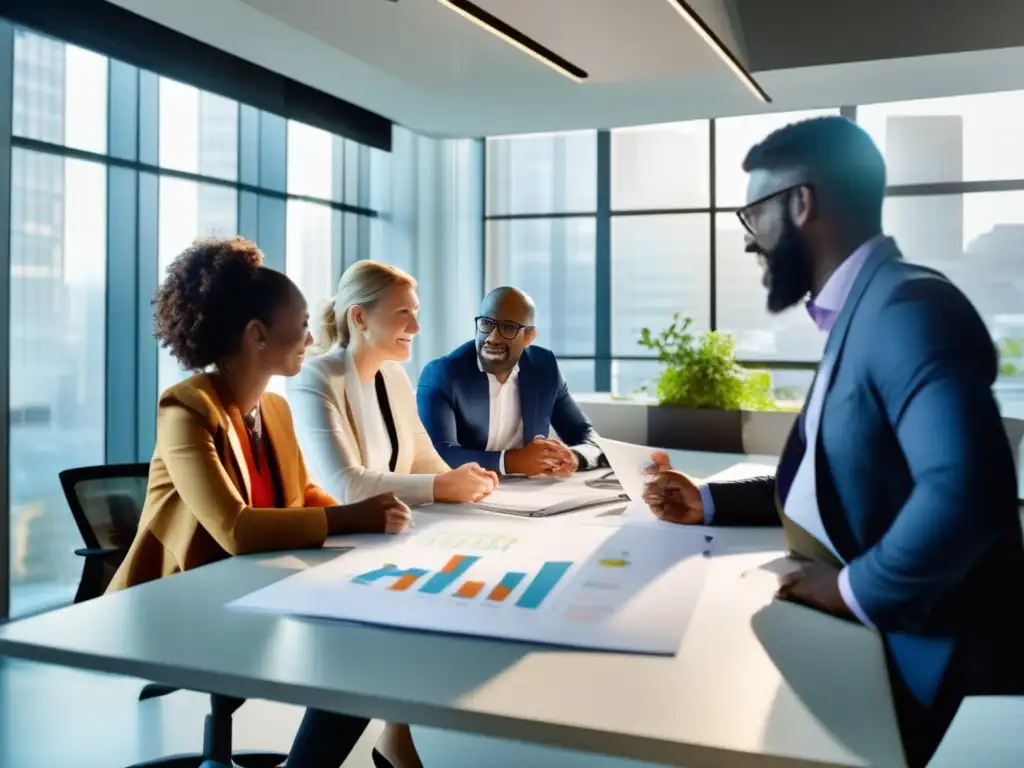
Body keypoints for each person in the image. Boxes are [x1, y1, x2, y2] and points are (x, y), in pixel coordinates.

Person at [643, 116, 1024, 767]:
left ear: (800, 203)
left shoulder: (908, 308)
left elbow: (968, 492)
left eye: (753, 214)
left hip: (917, 666)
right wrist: (708, 503)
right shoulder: (865, 309)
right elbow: (842, 476)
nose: (748, 242)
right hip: (862, 649)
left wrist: (849, 590)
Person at [107, 237, 412, 768]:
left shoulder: (271, 407)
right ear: (258, 335)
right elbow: (236, 529)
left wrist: (376, 521)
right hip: (181, 603)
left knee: (374, 634)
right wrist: (354, 516)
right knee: (360, 651)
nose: (311, 335)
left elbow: (302, 497)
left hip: (254, 583)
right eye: (299, 322)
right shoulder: (186, 409)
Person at [288, 259, 497, 768]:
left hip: (385, 542)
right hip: (325, 549)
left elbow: (424, 462)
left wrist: (463, 478)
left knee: (436, 610)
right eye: (404, 313)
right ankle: (380, 744)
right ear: (359, 318)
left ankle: (395, 736)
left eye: (417, 313)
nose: (417, 327)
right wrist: (439, 486)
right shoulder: (316, 379)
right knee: (379, 642)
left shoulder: (394, 377)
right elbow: (347, 485)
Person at [417, 286, 604, 477]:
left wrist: (574, 456)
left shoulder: (544, 368)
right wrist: (513, 461)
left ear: (529, 337)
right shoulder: (442, 374)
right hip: (463, 492)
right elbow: (438, 453)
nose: (493, 338)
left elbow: (587, 437)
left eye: (508, 328)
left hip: (528, 493)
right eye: (487, 323)